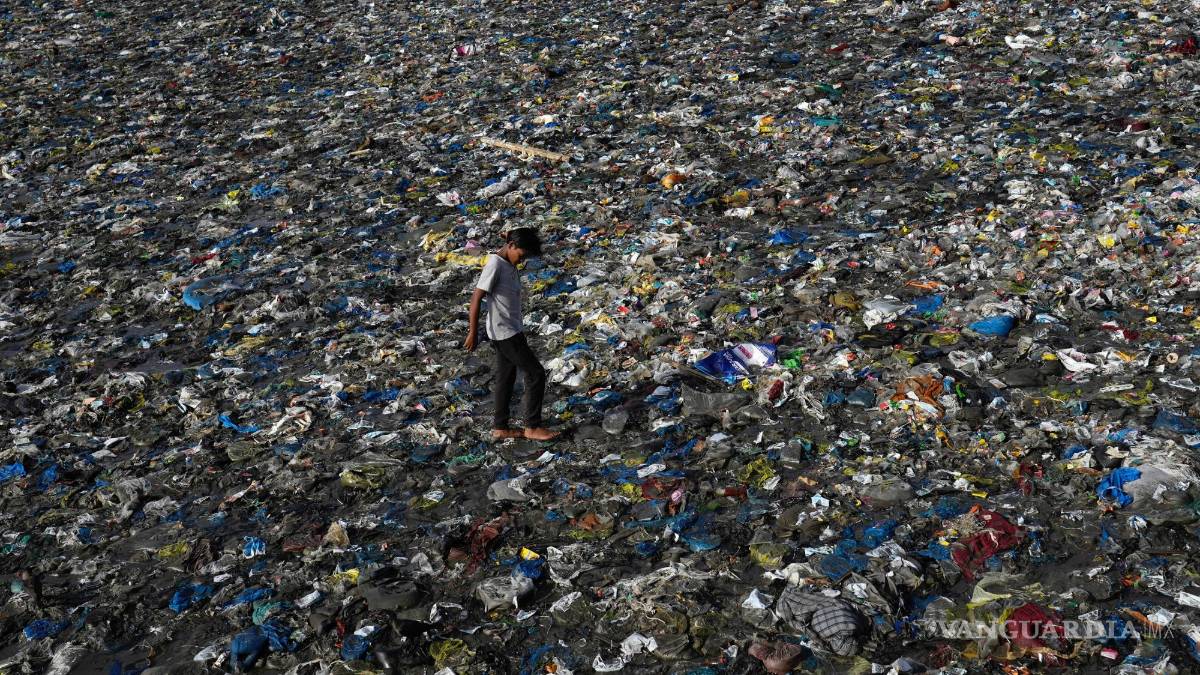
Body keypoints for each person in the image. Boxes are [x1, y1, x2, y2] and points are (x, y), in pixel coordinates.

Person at [464, 228, 560, 441]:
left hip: (508, 329)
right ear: (512, 247)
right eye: (521, 255)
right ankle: (532, 426)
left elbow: (510, 242)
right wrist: (472, 333)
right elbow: (476, 298)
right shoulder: (495, 265)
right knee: (536, 374)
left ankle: (501, 427)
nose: (521, 261)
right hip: (505, 332)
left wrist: (509, 238)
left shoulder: (507, 258)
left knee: (506, 378)